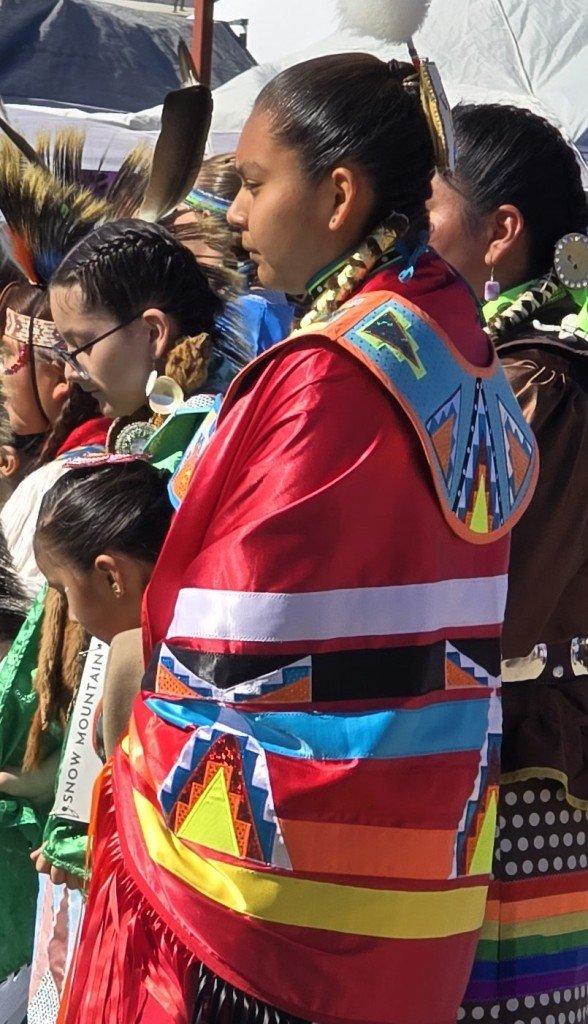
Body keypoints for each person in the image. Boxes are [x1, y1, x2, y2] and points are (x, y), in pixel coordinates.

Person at [57, 52, 537, 1024]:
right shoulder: (451, 333)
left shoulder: (329, 377)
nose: (233, 214)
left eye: (253, 184)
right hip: (415, 866)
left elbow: (227, 628)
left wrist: (136, 752)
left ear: (339, 195)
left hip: (278, 904)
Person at [428, 103, 588, 1024]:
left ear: (501, 233)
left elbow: (498, 601)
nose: (411, 232)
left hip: (520, 762)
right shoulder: (505, 368)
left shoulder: (543, 381)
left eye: (429, 207)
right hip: (489, 746)